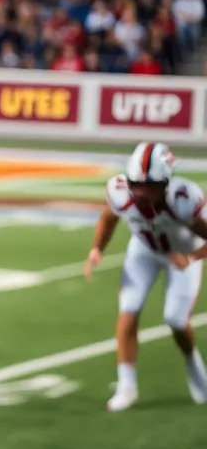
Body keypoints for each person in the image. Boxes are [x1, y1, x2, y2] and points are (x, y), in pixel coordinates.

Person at [84, 141, 207, 410]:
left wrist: (191, 258)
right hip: (144, 251)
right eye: (135, 183)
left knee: (175, 319)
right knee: (128, 310)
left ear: (165, 182)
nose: (139, 191)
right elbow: (108, 218)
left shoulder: (185, 199)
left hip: (182, 254)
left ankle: (194, 366)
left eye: (148, 184)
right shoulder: (119, 192)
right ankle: (126, 387)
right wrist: (97, 248)